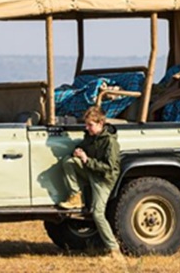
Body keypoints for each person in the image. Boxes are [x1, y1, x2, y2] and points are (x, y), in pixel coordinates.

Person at [57, 106, 123, 260]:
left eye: (90, 125)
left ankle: (114, 250)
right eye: (86, 125)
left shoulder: (110, 142)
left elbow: (110, 169)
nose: (87, 128)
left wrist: (87, 160)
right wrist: (78, 152)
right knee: (69, 162)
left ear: (100, 124)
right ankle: (76, 196)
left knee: (97, 213)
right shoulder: (90, 136)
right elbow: (82, 148)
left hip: (103, 180)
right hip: (91, 171)